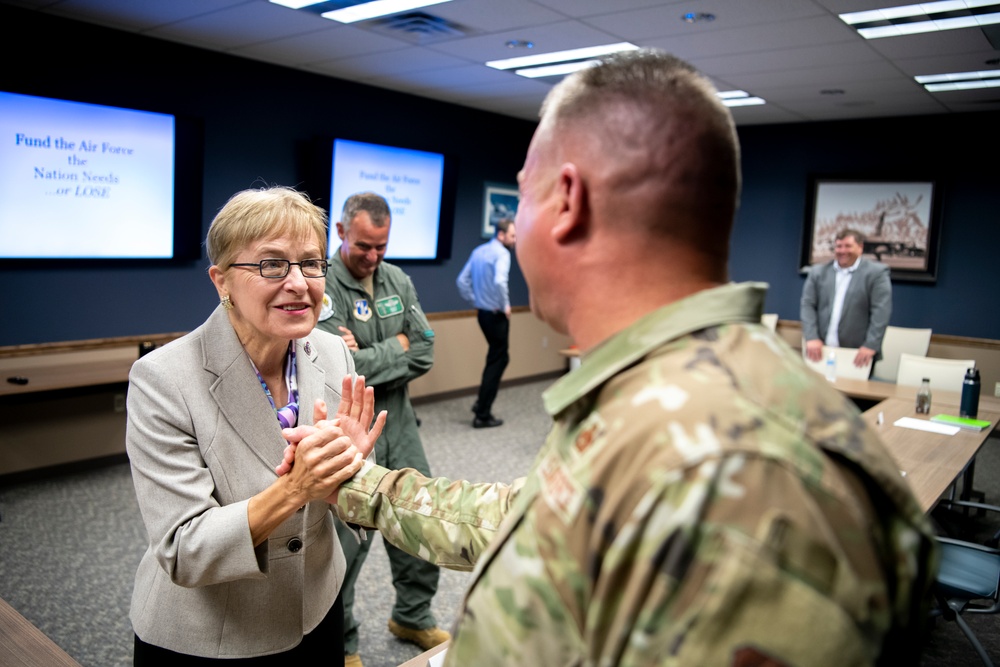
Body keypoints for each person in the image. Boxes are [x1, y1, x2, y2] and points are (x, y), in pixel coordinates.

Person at [286, 50, 937, 666]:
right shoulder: (670, 404)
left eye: (523, 197)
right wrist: (359, 481)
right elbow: (538, 522)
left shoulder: (736, 478)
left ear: (568, 201)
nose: (517, 226)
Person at [125, 186, 383, 663]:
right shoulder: (163, 380)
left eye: (310, 263)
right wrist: (295, 489)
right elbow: (184, 549)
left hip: (316, 610)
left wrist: (351, 476)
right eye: (271, 265)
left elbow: (346, 493)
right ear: (221, 281)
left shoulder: (332, 351)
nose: (299, 282)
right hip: (215, 634)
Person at [315, 192, 447, 666]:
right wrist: (396, 345)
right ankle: (344, 642)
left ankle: (411, 614)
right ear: (343, 233)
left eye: (382, 247)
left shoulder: (397, 280)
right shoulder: (321, 284)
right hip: (351, 425)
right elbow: (337, 371)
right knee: (348, 542)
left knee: (419, 518)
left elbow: (426, 351)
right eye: (364, 246)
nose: (373, 257)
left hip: (401, 422)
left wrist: (366, 354)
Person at [455, 218, 517, 428]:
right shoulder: (502, 254)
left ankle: (480, 403)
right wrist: (506, 305)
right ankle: (482, 413)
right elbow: (500, 281)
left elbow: (462, 281)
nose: (514, 240)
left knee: (497, 357)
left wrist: (476, 300)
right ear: (501, 235)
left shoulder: (479, 251)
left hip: (482, 313)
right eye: (512, 236)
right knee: (498, 359)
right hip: (497, 314)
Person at [801, 228, 893, 368]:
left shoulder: (877, 274)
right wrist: (811, 337)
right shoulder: (818, 272)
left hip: (858, 354)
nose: (842, 251)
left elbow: (881, 311)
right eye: (839, 246)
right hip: (820, 351)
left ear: (860, 247)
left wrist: (871, 345)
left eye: (848, 246)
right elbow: (807, 305)